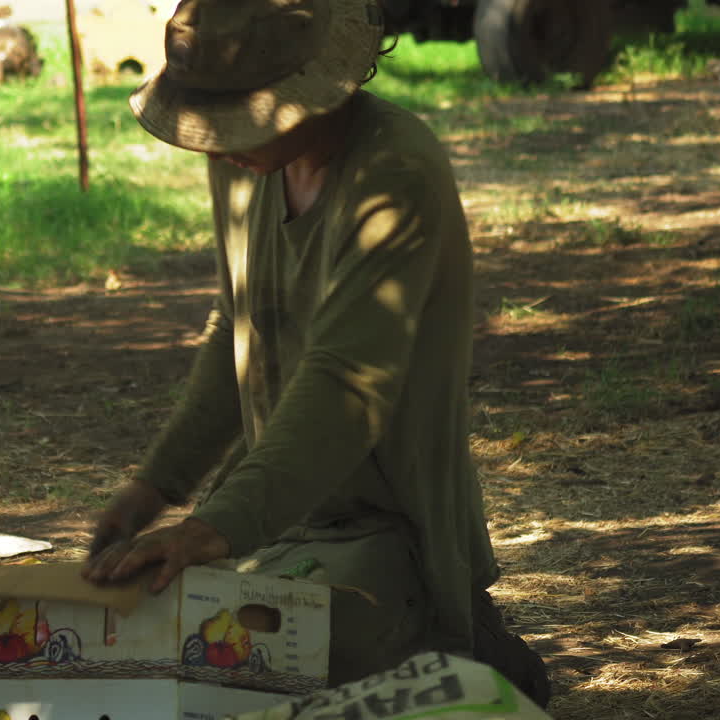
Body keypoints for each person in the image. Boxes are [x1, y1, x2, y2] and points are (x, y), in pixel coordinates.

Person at [80, 0, 551, 708]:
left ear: (309, 90)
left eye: (236, 118)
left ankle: (470, 651)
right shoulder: (245, 162)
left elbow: (346, 382)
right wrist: (154, 489)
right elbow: (240, 326)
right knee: (161, 656)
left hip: (393, 528)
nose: (213, 145)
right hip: (287, 525)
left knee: (242, 673)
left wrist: (211, 529)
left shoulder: (395, 170)